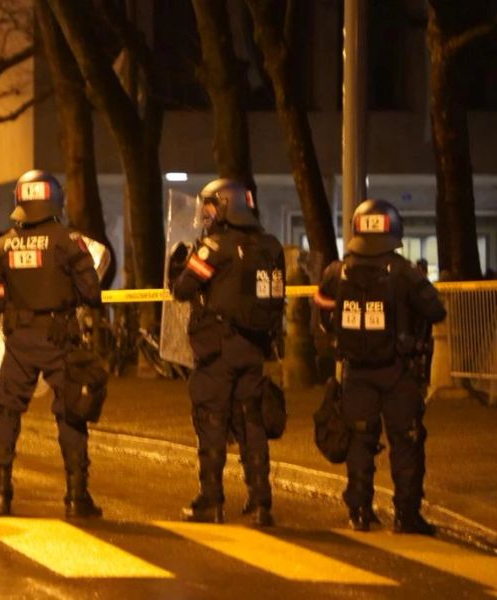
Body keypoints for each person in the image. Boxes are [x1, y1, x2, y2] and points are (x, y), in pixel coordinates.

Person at [314, 199, 446, 534]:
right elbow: (436, 311)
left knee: (360, 441)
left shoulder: (337, 271)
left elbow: (323, 310)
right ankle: (406, 515)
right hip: (398, 372)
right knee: (406, 442)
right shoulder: (403, 272)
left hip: (356, 372)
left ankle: (359, 512)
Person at [0, 169, 103, 518]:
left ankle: (2, 492)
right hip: (59, 338)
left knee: (6, 411)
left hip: (19, 341)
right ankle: (76, 495)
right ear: (54, 200)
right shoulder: (69, 241)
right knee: (70, 411)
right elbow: (91, 293)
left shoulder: (4, 244)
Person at [169, 178, 285, 527]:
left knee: (212, 420)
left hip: (218, 349)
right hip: (254, 348)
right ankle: (261, 500)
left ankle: (211, 499)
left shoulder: (213, 248)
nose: (205, 214)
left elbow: (183, 289)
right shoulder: (270, 247)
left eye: (210, 207)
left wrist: (181, 264)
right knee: (252, 421)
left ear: (226, 206)